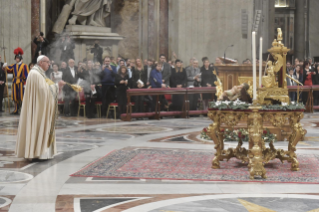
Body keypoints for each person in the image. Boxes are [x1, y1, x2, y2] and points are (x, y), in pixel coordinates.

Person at [16, 55, 58, 160]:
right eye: (47, 62)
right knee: (37, 125)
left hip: (39, 107)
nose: (49, 64)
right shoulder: (35, 74)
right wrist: (56, 87)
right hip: (38, 109)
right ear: (41, 63)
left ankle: (38, 152)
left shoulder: (39, 73)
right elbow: (44, 92)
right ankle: (37, 153)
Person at [3, 48, 30, 115]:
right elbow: (8, 70)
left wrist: (26, 83)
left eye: (17, 58)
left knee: (22, 96)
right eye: (16, 58)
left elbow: (27, 75)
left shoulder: (24, 66)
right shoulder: (13, 65)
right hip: (15, 82)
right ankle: (16, 110)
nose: (16, 59)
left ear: (20, 59)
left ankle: (24, 110)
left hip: (21, 82)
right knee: (15, 96)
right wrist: (5, 66)